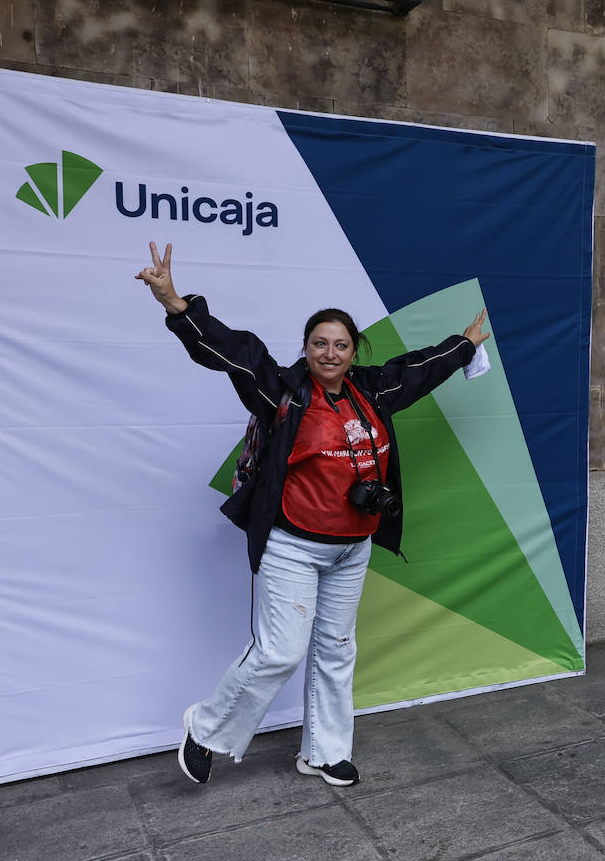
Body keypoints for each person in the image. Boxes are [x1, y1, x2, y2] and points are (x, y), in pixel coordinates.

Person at [136, 241, 490, 787]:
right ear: (305, 348)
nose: (330, 353)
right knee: (280, 651)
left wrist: (464, 346)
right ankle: (205, 728)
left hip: (353, 546)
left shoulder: (371, 391)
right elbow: (230, 351)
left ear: (354, 351)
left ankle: (323, 752)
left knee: (336, 648)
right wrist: (175, 304)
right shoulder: (280, 392)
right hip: (293, 546)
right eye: (320, 343)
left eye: (341, 345)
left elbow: (417, 369)